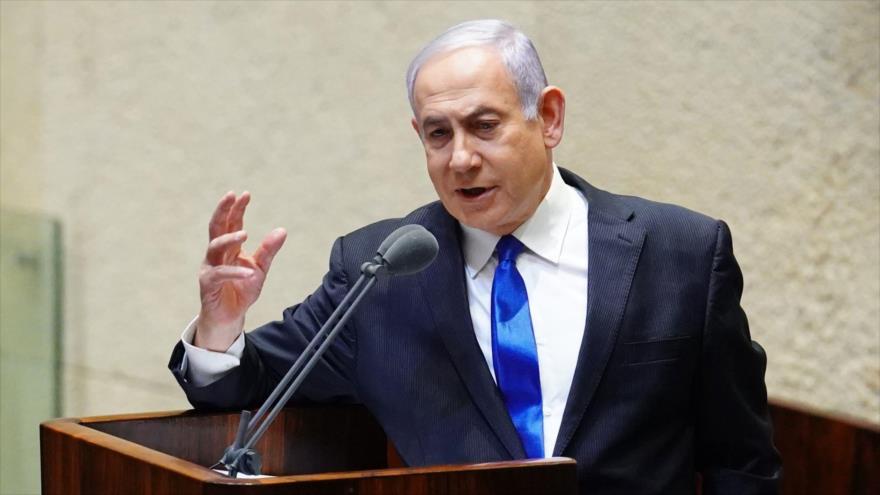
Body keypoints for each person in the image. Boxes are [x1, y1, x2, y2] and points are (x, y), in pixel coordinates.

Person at [169, 19, 781, 494]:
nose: (460, 158)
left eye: (484, 125)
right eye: (439, 134)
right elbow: (245, 391)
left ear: (548, 116)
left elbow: (742, 460)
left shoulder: (681, 253)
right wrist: (221, 322)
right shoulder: (379, 270)